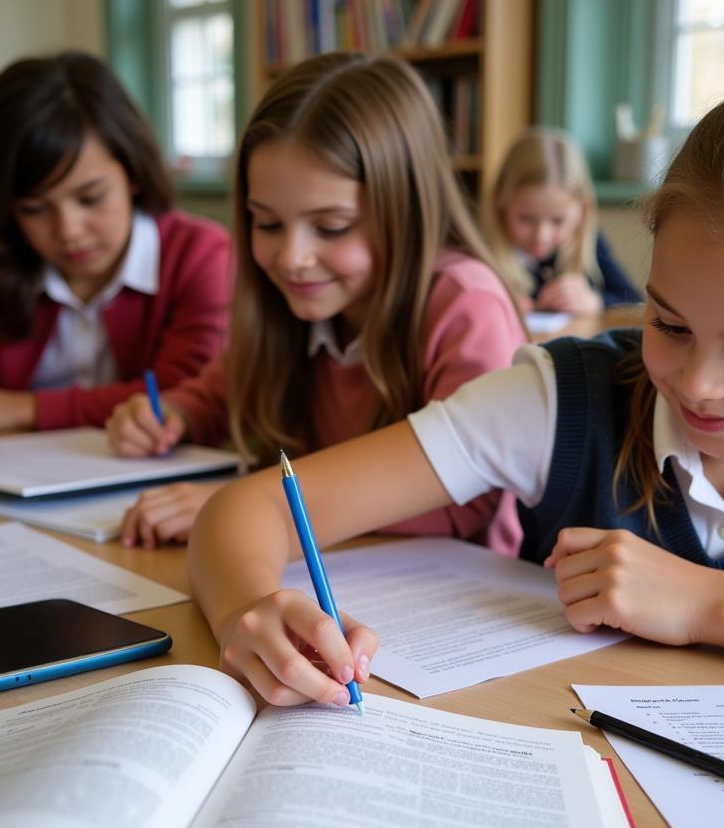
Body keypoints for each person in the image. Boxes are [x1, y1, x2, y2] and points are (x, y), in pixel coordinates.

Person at [187, 77, 724, 709]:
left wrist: (705, 603)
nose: (697, 384)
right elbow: (245, 511)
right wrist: (251, 613)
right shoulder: (562, 398)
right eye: (667, 322)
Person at [106, 51, 526, 552]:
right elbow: (221, 391)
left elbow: (468, 490)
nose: (292, 257)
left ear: (405, 213)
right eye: (266, 223)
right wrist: (174, 412)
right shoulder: (294, 308)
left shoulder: (465, 305)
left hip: (458, 600)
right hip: (325, 573)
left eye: (331, 227)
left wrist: (251, 510)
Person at [0, 52, 231, 460]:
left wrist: (21, 409)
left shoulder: (199, 254)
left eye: (90, 198)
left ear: (134, 172)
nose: (68, 230)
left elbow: (186, 397)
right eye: (34, 209)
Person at [484, 126, 641, 318]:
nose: (541, 236)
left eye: (558, 221)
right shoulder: (479, 248)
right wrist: (491, 302)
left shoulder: (591, 242)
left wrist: (595, 301)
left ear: (583, 211)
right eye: (526, 219)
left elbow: (635, 301)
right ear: (501, 202)